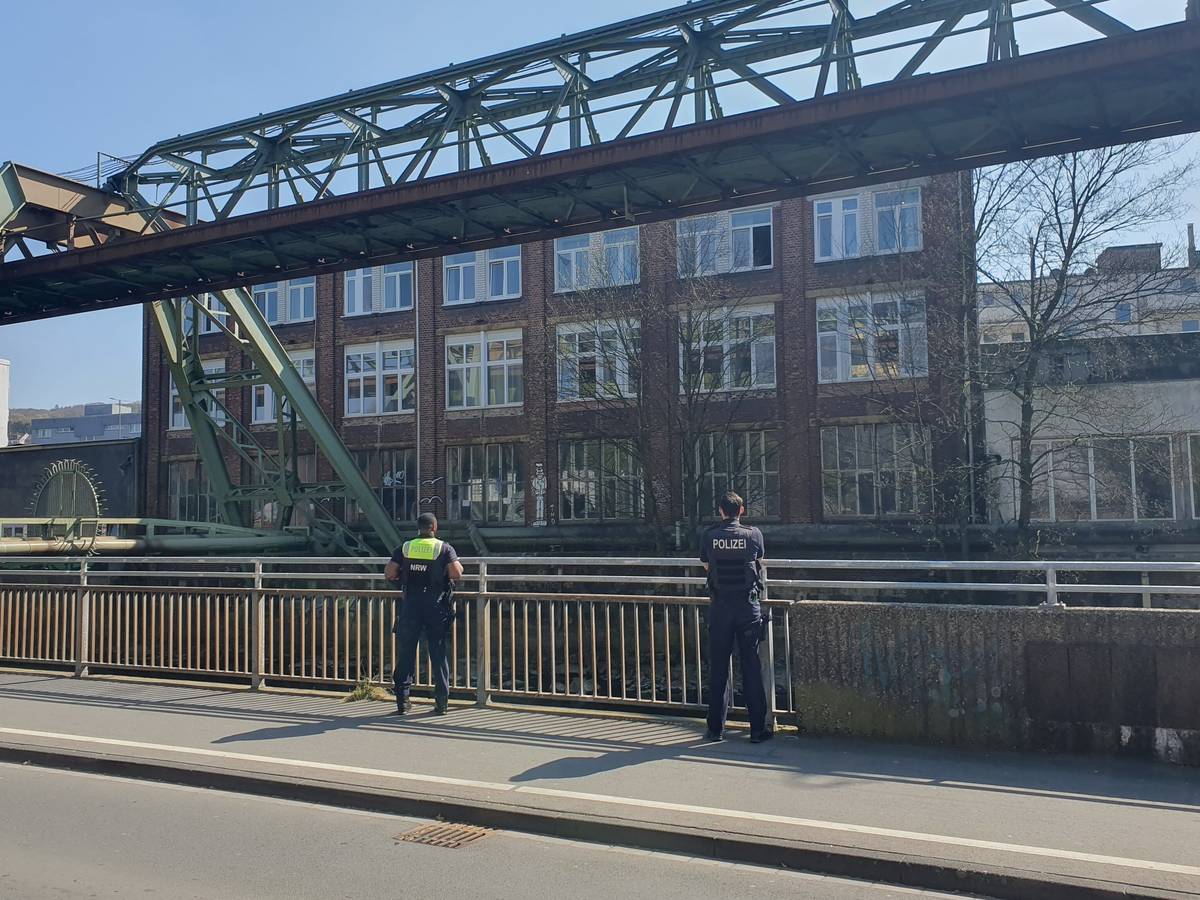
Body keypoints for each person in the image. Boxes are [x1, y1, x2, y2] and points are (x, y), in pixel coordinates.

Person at [699, 490, 772, 744]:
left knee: (719, 668)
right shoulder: (754, 535)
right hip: (747, 608)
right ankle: (757, 730)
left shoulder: (710, 536)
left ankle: (715, 729)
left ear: (720, 511)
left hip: (720, 609)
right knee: (751, 667)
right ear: (741, 511)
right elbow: (759, 561)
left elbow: (708, 566)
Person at [385, 512, 463, 715]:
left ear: (418, 528)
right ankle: (442, 703)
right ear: (434, 528)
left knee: (406, 652)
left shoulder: (406, 547)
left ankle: (402, 702)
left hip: (411, 605)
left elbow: (389, 573)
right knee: (437, 653)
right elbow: (456, 573)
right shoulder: (444, 548)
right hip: (436, 606)